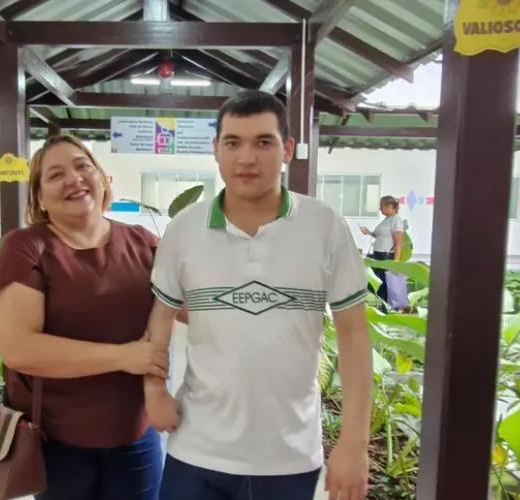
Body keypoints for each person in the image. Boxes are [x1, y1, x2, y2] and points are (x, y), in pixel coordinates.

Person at [144, 90, 373, 500]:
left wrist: (354, 442)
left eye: (263, 142)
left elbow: (354, 335)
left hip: (290, 457)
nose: (246, 158)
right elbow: (160, 319)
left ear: (287, 150)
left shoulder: (325, 226)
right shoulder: (184, 229)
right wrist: (154, 390)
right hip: (196, 450)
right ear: (216, 149)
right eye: (233, 143)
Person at [0, 135, 167, 500]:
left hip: (135, 436)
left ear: (102, 179)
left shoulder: (142, 242)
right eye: (55, 175)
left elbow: (186, 306)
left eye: (83, 166)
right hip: (55, 442)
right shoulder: (25, 248)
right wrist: (125, 356)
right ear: (39, 197)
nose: (74, 179)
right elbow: (19, 349)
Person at [359, 196, 405, 306]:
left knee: (384, 283)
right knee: (376, 282)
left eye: (382, 206)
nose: (380, 209)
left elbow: (399, 242)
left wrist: (396, 262)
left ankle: (387, 307)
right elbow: (381, 236)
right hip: (378, 255)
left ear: (389, 206)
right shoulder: (387, 220)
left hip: (386, 256)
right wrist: (369, 232)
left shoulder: (396, 220)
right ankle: (382, 305)